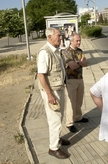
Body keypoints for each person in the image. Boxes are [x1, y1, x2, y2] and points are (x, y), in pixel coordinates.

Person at [36, 27, 70, 159]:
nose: (61, 38)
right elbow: (41, 75)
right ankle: (53, 148)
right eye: (58, 36)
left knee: (59, 117)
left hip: (59, 88)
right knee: (54, 119)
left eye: (61, 36)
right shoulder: (45, 52)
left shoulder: (56, 51)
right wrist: (50, 95)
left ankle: (58, 139)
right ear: (49, 37)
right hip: (52, 92)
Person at [62, 33, 89, 133]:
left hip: (80, 78)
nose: (79, 42)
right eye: (77, 41)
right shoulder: (66, 52)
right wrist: (80, 62)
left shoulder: (80, 51)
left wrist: (78, 63)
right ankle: (69, 122)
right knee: (71, 102)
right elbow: (71, 66)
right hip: (70, 79)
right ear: (71, 41)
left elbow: (86, 63)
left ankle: (78, 117)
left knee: (79, 101)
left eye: (80, 40)